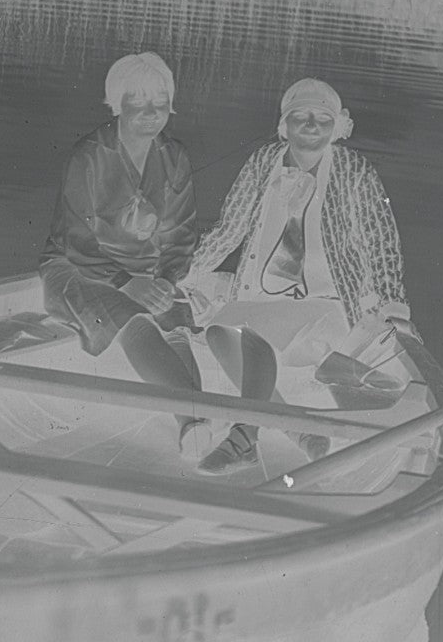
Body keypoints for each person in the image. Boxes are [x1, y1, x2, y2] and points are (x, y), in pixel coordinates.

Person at [181, 77, 417, 474]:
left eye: (323, 118)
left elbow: (381, 242)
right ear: (284, 125)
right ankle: (299, 432)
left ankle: (244, 439)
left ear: (338, 126)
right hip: (262, 300)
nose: (311, 125)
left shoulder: (355, 170)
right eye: (301, 116)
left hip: (329, 305)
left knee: (252, 334)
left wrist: (392, 304)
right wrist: (185, 273)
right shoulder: (262, 162)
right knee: (219, 332)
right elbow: (230, 228)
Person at [40, 52, 206, 433]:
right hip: (78, 269)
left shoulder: (175, 154)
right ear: (117, 103)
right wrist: (129, 284)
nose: (150, 112)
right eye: (137, 101)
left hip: (147, 269)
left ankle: (192, 422)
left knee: (175, 319)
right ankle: (198, 418)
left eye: (160, 102)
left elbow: (180, 232)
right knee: (131, 315)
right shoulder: (88, 155)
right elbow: (75, 239)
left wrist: (165, 280)